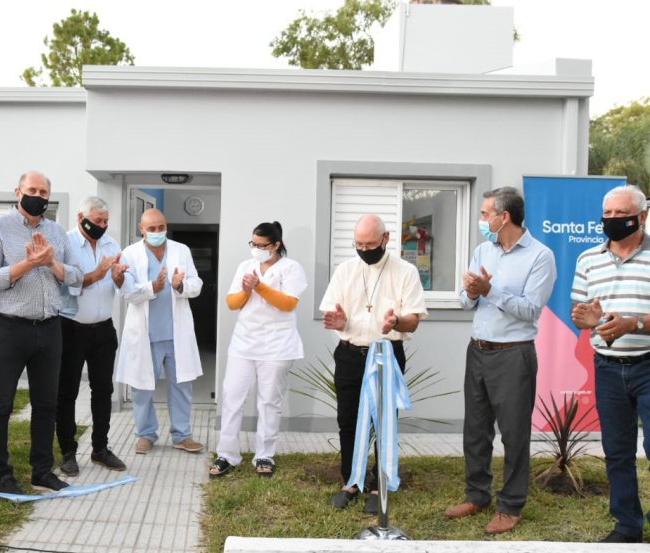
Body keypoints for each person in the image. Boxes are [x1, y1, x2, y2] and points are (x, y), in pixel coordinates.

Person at [444, 187, 556, 535]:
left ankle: (511, 506)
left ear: (503, 216)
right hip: (478, 350)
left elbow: (530, 310)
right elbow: (465, 301)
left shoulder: (540, 256)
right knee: (475, 431)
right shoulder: (483, 249)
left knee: (514, 434)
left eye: (484, 214)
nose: (481, 220)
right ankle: (477, 494)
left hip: (514, 354)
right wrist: (473, 292)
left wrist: (491, 291)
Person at [0, 171, 83, 494]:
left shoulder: (56, 232)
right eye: (32, 190)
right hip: (9, 328)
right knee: (1, 404)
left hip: (50, 328)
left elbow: (76, 276)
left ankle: (42, 471)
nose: (38, 196)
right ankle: (2, 475)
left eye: (43, 191)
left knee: (46, 404)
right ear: (18, 192)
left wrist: (51, 263)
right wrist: (28, 264)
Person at [319, 214, 427, 514]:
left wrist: (397, 321)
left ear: (385, 239)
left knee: (383, 422)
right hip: (349, 352)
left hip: (386, 354)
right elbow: (334, 311)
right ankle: (350, 481)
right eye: (359, 244)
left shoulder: (405, 272)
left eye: (370, 244)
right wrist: (340, 321)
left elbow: (414, 320)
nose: (364, 249)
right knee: (348, 420)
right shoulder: (345, 270)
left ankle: (379, 483)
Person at [571, 184, 650, 543]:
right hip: (607, 366)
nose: (614, 220)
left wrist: (633, 323)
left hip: (648, 366)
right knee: (617, 451)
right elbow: (582, 314)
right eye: (609, 214)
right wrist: (591, 321)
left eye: (622, 214)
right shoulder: (588, 259)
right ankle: (628, 525)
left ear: (642, 216)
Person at [209, 222, 306, 478]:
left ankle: (264, 455)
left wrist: (259, 287)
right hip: (244, 343)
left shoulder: (291, 268)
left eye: (262, 246)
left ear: (276, 245)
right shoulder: (245, 267)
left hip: (277, 345)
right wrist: (246, 289)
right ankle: (227, 454)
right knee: (232, 397)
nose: (256, 249)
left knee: (269, 402)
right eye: (253, 244)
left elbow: (288, 303)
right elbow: (232, 303)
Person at [115, 208, 204, 454]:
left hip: (176, 334)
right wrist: (152, 287)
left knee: (182, 386)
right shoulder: (129, 254)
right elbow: (127, 293)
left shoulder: (181, 250)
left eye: (161, 227)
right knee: (142, 388)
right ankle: (145, 434)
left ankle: (182, 435)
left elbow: (196, 284)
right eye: (151, 229)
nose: (157, 232)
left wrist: (180, 285)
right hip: (146, 334)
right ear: (141, 229)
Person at [56, 197, 127, 476]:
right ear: (80, 217)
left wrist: (119, 276)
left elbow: (120, 286)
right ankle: (67, 452)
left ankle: (100, 448)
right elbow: (64, 282)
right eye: (97, 221)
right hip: (71, 328)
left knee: (103, 391)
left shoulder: (111, 245)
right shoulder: (66, 243)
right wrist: (97, 274)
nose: (102, 226)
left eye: (105, 221)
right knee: (67, 392)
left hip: (103, 329)